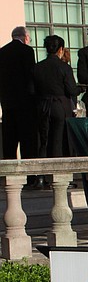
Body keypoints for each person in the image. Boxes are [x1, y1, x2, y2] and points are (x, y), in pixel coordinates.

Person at [0, 26, 39, 183]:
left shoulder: (2, 52)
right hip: (25, 103)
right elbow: (31, 76)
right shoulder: (27, 51)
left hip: (8, 104)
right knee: (28, 141)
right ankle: (31, 177)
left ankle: (10, 177)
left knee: (9, 141)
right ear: (25, 38)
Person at [32, 34, 78, 159]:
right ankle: (58, 172)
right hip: (60, 106)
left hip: (43, 105)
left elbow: (33, 89)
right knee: (59, 139)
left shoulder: (37, 67)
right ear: (61, 49)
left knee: (44, 139)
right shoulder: (64, 67)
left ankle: (42, 173)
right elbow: (71, 89)